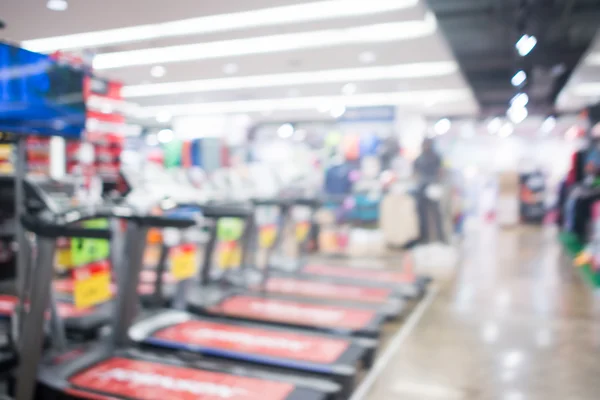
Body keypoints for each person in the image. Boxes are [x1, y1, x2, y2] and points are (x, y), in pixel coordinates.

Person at [413, 138, 445, 243]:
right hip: (422, 188)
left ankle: (440, 237)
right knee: (422, 215)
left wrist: (437, 183)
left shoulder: (436, 157)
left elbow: (441, 172)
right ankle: (424, 237)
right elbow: (415, 173)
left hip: (432, 187)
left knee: (436, 214)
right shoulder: (419, 159)